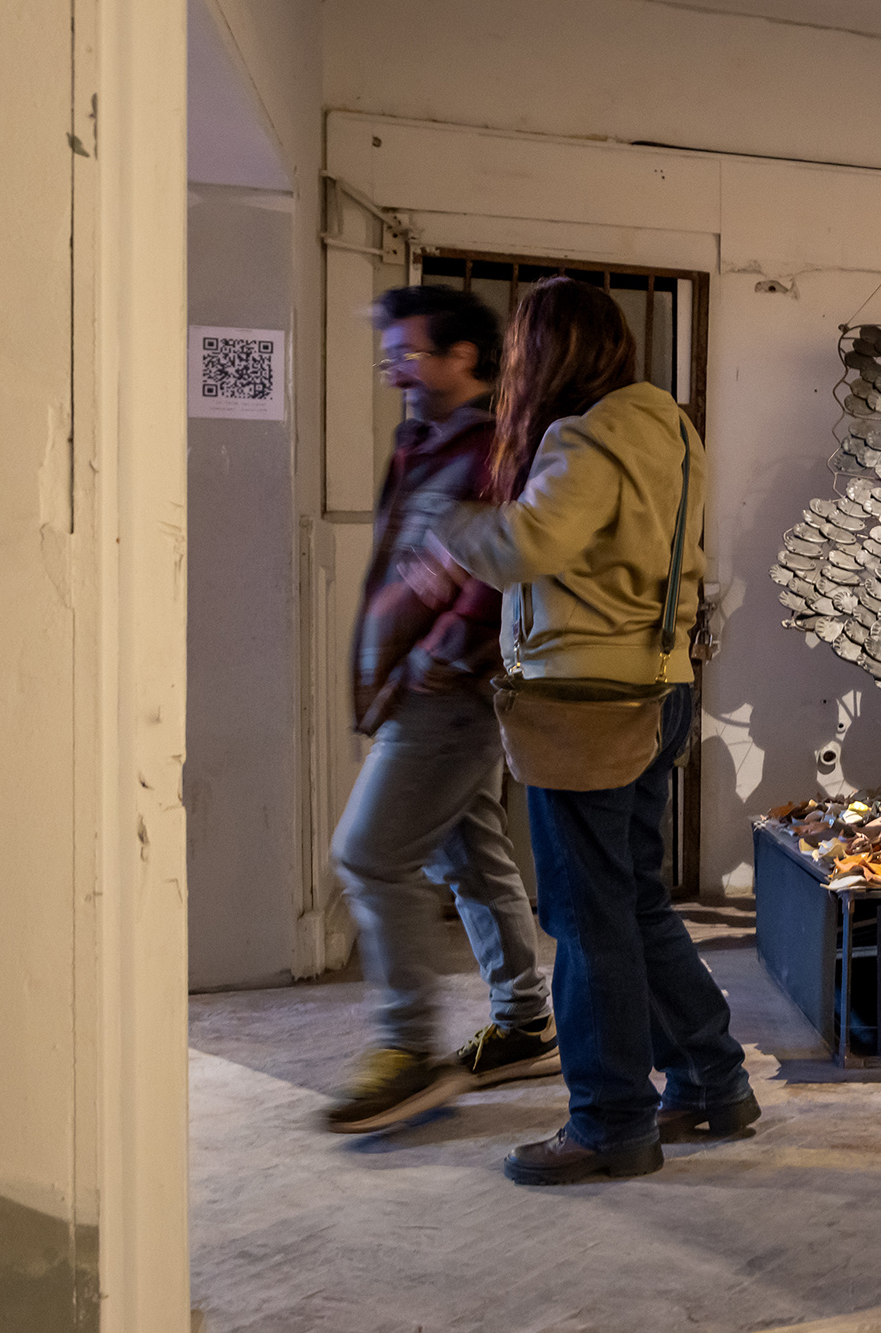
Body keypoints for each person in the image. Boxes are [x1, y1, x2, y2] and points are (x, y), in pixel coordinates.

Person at [424, 276, 749, 1185]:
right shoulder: (670, 427)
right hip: (659, 683)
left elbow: (527, 545)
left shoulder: (583, 435)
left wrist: (442, 516)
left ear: (549, 350)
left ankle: (610, 1122)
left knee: (584, 917)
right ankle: (712, 1079)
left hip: (585, 700)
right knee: (635, 901)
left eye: (519, 349)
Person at [323, 286, 558, 1135]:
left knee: (370, 854)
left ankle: (409, 1050)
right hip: (415, 683)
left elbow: (494, 570)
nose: (393, 368)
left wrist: (434, 660)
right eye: (391, 353)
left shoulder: (495, 450)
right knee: (470, 854)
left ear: (463, 357)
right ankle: (524, 1022)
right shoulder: (417, 443)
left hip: (450, 691)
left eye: (409, 353)